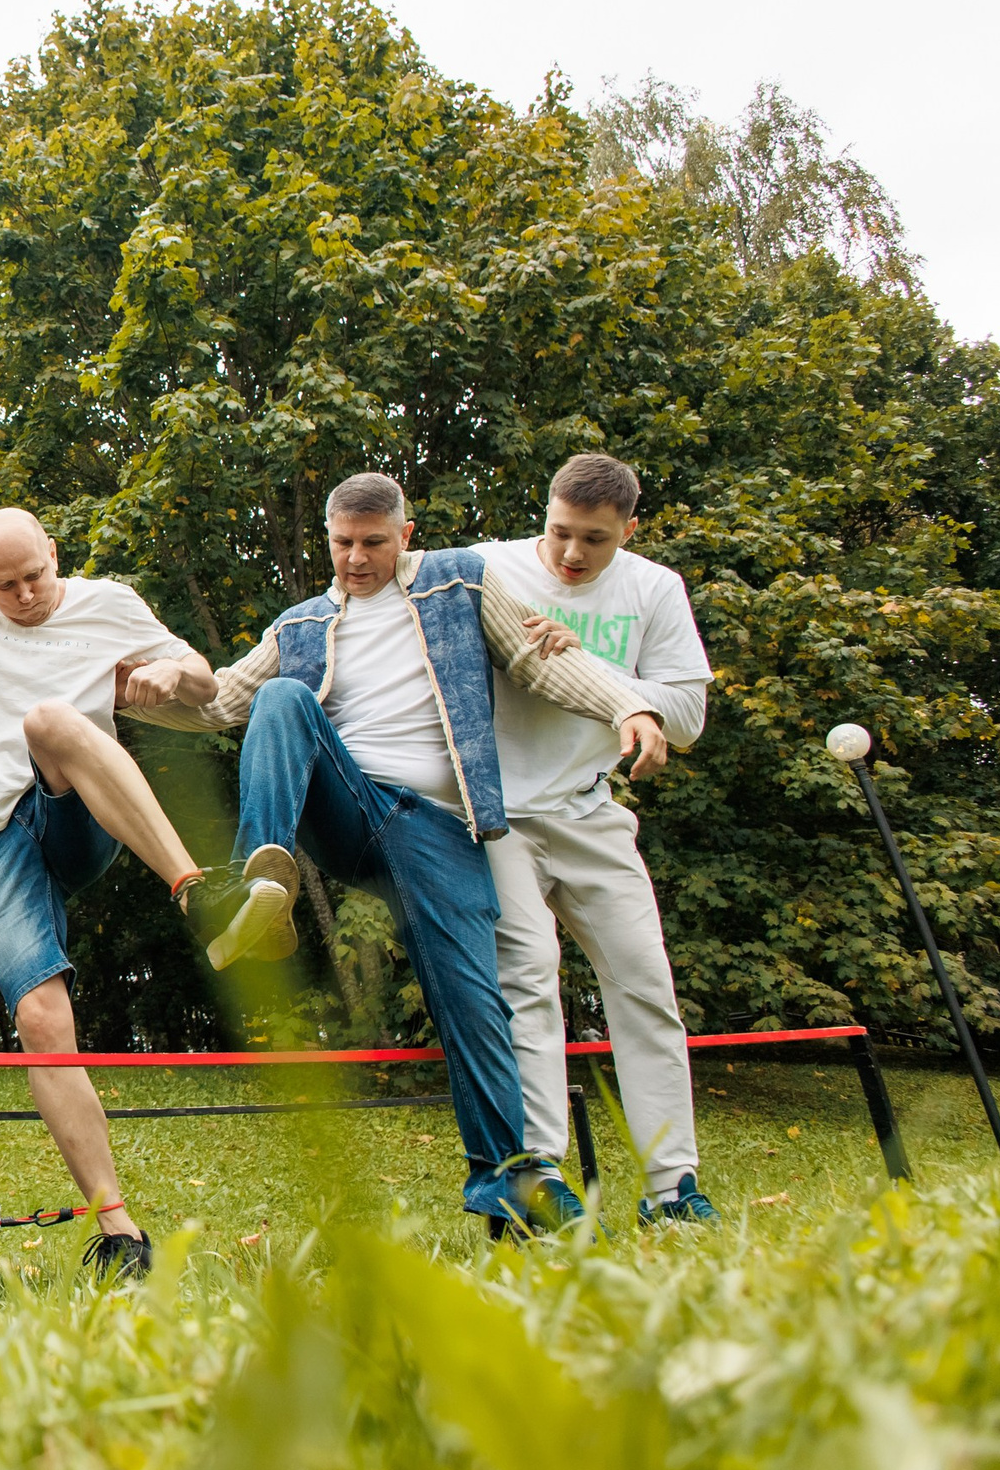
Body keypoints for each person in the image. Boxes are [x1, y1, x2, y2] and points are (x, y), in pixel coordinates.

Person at [188, 471, 670, 1233]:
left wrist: (628, 703)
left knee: (476, 999)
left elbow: (541, 660)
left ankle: (508, 1184)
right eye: (342, 543)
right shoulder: (300, 624)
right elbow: (216, 700)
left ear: (405, 536)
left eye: (373, 542)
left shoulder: (460, 584)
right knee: (282, 698)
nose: (355, 558)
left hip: (444, 826)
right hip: (353, 806)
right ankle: (261, 885)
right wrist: (130, 681)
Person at [0, 508, 240, 1278]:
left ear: (53, 554)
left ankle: (196, 890)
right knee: (38, 1014)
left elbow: (205, 681)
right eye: (6, 585)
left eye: (35, 575)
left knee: (50, 719)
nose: (24, 594)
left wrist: (173, 673)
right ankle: (119, 1229)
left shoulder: (111, 603)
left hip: (78, 812)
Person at [475, 453, 719, 1225]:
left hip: (591, 812)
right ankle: (542, 1178)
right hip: (502, 815)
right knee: (529, 980)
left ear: (628, 531)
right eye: (560, 532)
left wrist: (592, 664)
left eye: (595, 540)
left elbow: (685, 715)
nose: (573, 554)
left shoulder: (654, 587)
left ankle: (672, 1188)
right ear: (542, 512)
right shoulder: (490, 567)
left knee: (648, 987)